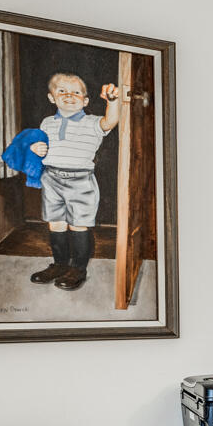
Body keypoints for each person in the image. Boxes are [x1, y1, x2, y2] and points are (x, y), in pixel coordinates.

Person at [28, 72, 122, 291]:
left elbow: (111, 121)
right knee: (56, 223)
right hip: (51, 179)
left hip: (81, 182)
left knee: (79, 225)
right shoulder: (47, 123)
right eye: (62, 91)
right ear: (52, 97)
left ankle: (78, 269)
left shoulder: (92, 123)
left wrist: (113, 102)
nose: (69, 95)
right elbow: (39, 147)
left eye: (76, 92)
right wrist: (35, 149)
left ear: (85, 100)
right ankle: (60, 264)